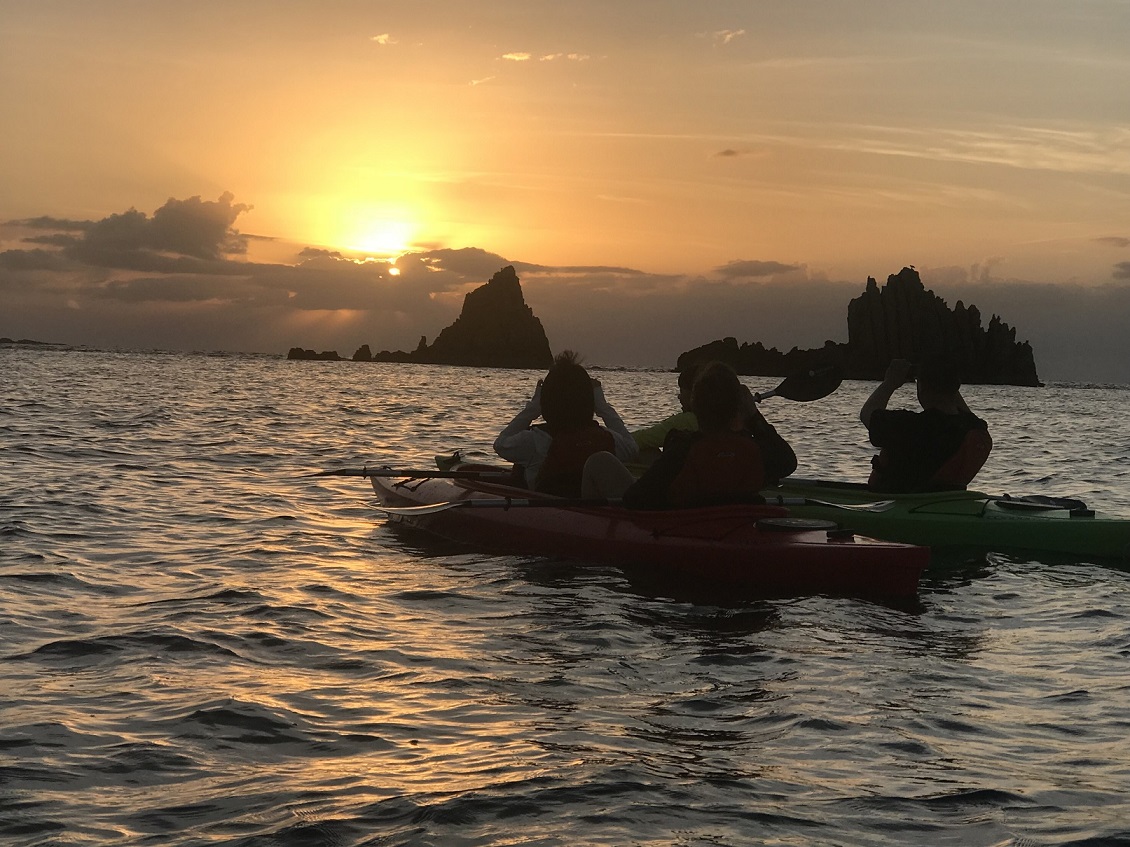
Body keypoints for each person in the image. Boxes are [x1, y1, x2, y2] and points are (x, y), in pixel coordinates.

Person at [583, 361, 797, 508]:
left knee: (600, 461)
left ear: (695, 405)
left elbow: (634, 499)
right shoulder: (757, 452)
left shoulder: (682, 450)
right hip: (737, 528)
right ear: (740, 408)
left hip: (689, 530)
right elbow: (788, 462)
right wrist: (754, 416)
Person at [494, 350, 638, 497]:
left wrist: (534, 408)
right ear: (590, 401)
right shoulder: (609, 439)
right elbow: (632, 448)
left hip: (550, 507)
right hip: (590, 507)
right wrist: (602, 406)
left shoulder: (534, 441)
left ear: (546, 401)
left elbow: (500, 444)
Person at [859, 356, 992, 492]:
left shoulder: (910, 426)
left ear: (922, 388)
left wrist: (890, 382)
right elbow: (967, 415)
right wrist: (946, 382)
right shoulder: (974, 429)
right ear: (955, 386)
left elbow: (867, 413)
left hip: (899, 499)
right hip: (948, 499)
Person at [629, 364, 700, 468]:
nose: (679, 397)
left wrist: (617, 440)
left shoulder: (686, 421)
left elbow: (644, 438)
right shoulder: (719, 419)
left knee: (645, 451)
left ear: (693, 394)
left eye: (682, 392)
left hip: (685, 473)